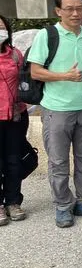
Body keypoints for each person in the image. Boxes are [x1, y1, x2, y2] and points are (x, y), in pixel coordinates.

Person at [28, 0, 82, 228]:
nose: (75, 13)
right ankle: (63, 205)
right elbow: (35, 71)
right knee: (58, 161)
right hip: (57, 110)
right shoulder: (48, 35)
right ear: (58, 11)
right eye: (69, 9)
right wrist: (65, 75)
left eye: (79, 9)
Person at [0, 15, 29, 225]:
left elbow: (25, 82)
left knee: (13, 160)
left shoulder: (15, 55)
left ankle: (13, 201)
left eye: (2, 28)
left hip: (16, 116)